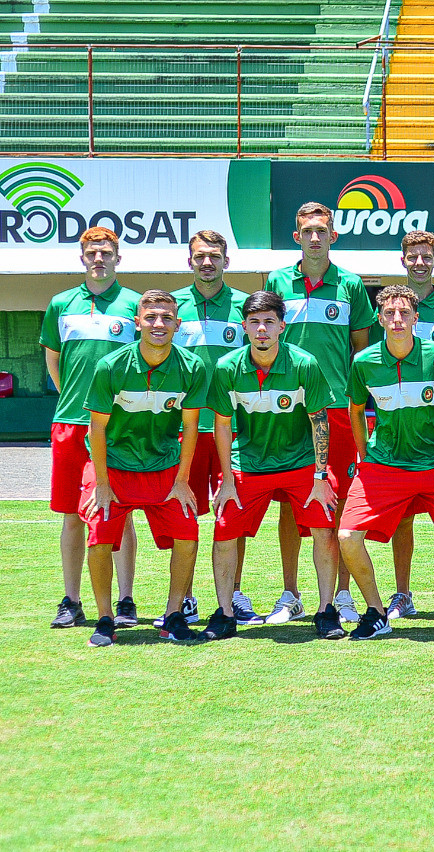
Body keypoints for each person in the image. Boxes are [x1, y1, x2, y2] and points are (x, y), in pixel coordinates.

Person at [338, 285, 434, 640]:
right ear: (379, 319)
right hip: (384, 465)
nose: (396, 320)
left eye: (404, 314)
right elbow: (355, 410)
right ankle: (376, 612)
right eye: (389, 313)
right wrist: (365, 455)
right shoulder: (364, 362)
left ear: (417, 318)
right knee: (347, 536)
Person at [206, 291, 345, 641]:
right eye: (254, 322)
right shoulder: (227, 368)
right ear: (244, 327)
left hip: (300, 465)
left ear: (282, 326)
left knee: (325, 530)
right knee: (223, 530)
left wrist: (320, 475)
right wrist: (226, 479)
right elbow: (222, 425)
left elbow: (319, 421)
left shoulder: (304, 364)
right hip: (249, 464)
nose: (262, 329)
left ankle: (326, 611)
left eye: (269, 321)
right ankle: (224, 614)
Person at [264, 202, 375, 625]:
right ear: (297, 236)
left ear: (333, 236)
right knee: (292, 501)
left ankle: (343, 594)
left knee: (343, 499)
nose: (314, 237)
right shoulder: (277, 280)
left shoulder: (349, 284)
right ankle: (290, 593)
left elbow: (360, 349)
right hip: (287, 405)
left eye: (321, 230)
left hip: (337, 408)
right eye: (307, 230)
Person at [80, 290, 208, 647]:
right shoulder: (111, 366)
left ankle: (173, 615)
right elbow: (98, 429)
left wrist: (182, 480)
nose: (158, 324)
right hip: (114, 466)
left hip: (163, 464)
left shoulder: (193, 367)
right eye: (151, 317)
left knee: (188, 534)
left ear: (178, 325)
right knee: (99, 537)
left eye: (167, 317)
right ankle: (106, 619)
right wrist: (102, 484)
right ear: (137, 322)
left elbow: (191, 428)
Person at [367, 230, 434, 622]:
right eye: (413, 255)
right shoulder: (391, 304)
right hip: (397, 435)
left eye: (427, 255)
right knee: (404, 519)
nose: (420, 261)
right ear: (403, 259)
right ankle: (402, 593)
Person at [41, 226, 141, 631]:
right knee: (71, 516)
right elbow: (54, 360)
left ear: (118, 257)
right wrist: (76, 399)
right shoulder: (60, 303)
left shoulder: (135, 303)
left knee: (122, 513)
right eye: (92, 253)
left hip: (120, 426)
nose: (99, 259)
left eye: (106, 253)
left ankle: (126, 600)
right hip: (70, 423)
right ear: (82, 258)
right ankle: (71, 600)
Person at [171, 229, 255, 625]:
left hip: (232, 427)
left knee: (230, 514)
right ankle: (184, 598)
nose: (208, 262)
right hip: (182, 428)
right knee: (183, 516)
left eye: (215, 256)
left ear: (226, 260)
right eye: (200, 256)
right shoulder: (173, 307)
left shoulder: (243, 306)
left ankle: (234, 593)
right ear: (190, 260)